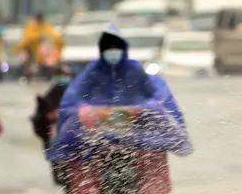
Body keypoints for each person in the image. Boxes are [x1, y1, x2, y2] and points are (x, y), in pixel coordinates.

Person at [47, 26, 191, 180]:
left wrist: (142, 108)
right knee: (73, 136)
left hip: (132, 120)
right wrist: (86, 110)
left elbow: (153, 95)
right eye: (108, 48)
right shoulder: (93, 70)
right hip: (99, 121)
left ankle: (149, 181)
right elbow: (76, 96)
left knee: (155, 133)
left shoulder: (134, 69)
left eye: (115, 47)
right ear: (102, 50)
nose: (112, 52)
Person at [31, 65, 74, 149]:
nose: (66, 77)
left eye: (67, 75)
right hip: (52, 135)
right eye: (64, 74)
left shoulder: (70, 90)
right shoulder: (55, 91)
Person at [15, 12, 64, 78]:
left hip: (46, 54)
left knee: (50, 60)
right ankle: (27, 72)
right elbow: (25, 41)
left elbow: (57, 39)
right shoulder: (31, 28)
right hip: (33, 53)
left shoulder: (48, 28)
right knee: (24, 56)